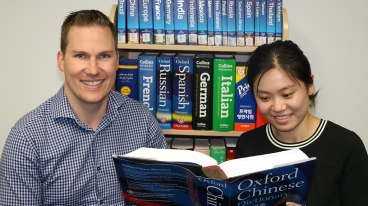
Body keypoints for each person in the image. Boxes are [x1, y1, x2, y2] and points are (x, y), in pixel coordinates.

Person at [0, 10, 167, 205]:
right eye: (81, 55)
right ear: (61, 61)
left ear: (117, 60)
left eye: (104, 56)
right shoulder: (26, 138)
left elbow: (164, 197)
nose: (93, 70)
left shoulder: (143, 122)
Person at [235, 40, 368, 206]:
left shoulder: (346, 146)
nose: (277, 107)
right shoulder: (248, 143)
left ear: (310, 85)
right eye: (264, 98)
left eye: (287, 94)